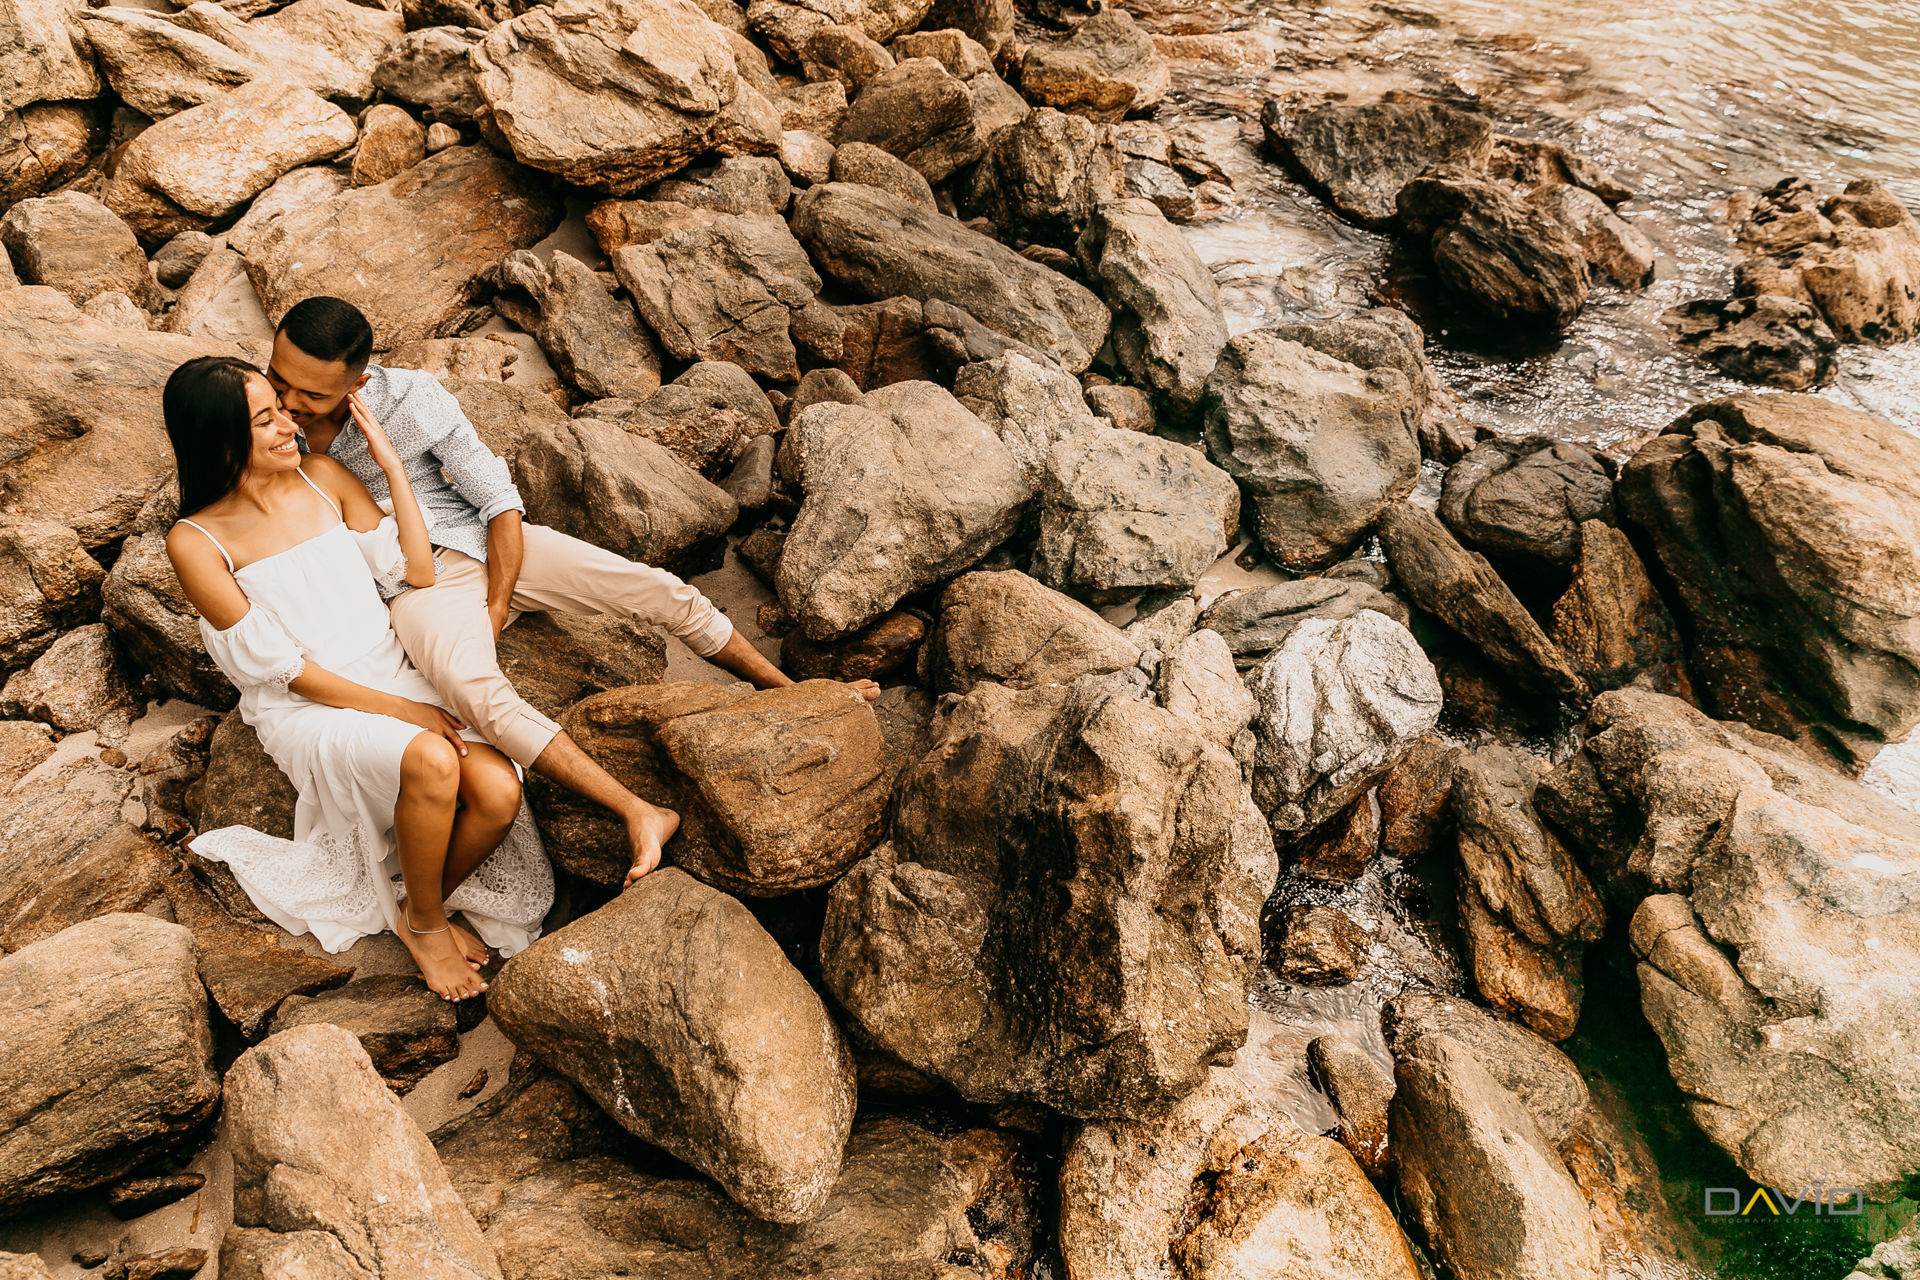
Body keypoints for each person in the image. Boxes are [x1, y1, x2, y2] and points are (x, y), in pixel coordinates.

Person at [264, 296, 879, 889]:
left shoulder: (412, 399)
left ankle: (796, 694)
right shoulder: (262, 422)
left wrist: (498, 605)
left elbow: (498, 499)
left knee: (661, 591)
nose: (289, 403)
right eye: (278, 380)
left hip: (484, 540)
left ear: (360, 380)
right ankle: (638, 811)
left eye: (312, 394)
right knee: (476, 693)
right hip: (412, 581)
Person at [164, 355, 553, 1001]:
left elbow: (416, 572)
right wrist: (405, 714)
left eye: (283, 411)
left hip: (391, 669)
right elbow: (286, 672)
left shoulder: (322, 477)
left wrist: (394, 469)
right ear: (220, 437)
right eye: (266, 418)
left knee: (498, 793)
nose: (290, 425)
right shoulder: (197, 542)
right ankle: (425, 925)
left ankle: (413, 900)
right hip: (310, 705)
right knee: (432, 758)